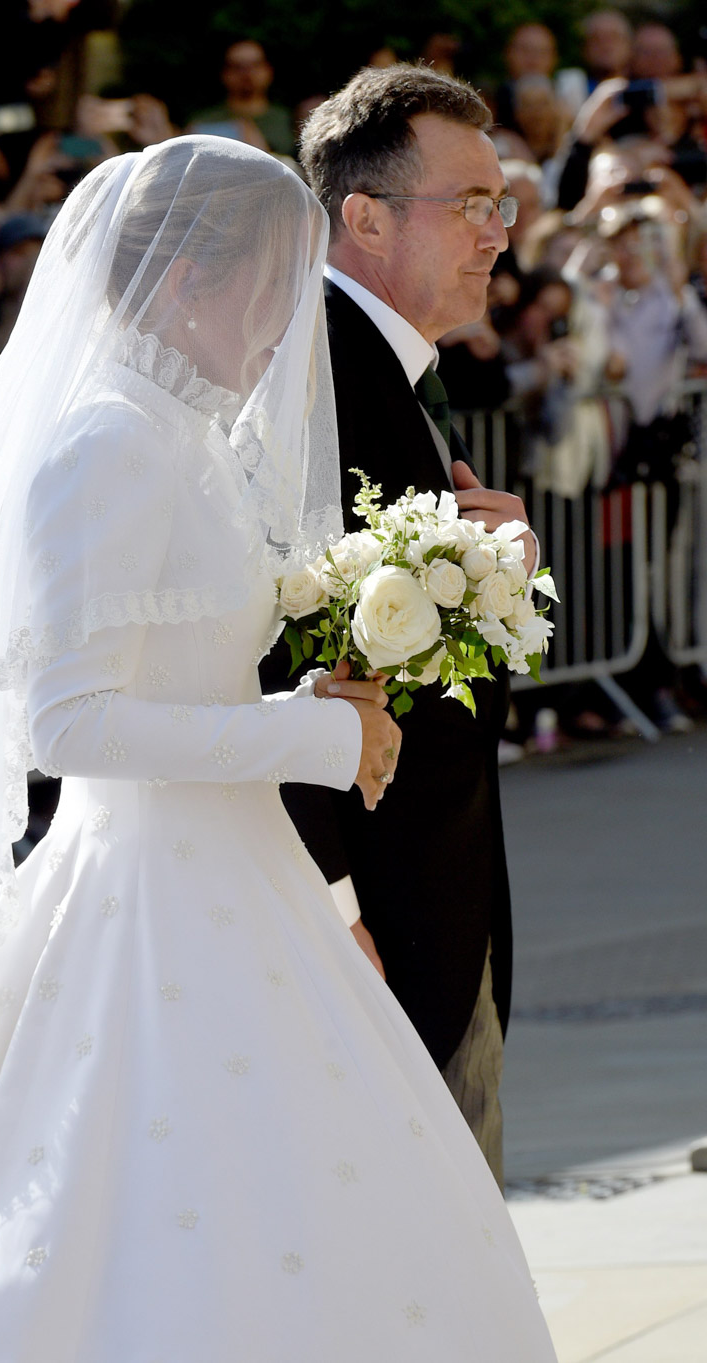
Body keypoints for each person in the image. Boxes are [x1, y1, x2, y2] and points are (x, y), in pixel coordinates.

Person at [0, 137, 555, 1360]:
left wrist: (346, 676)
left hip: (240, 881)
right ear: (182, 283)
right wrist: (308, 731)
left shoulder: (189, 443)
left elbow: (193, 662)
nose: (288, 322)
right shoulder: (102, 445)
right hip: (146, 893)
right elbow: (68, 722)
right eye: (271, 281)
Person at [295, 64, 540, 1186]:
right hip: (382, 929)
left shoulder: (392, 373)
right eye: (473, 203)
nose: (499, 231)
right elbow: (283, 660)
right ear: (365, 216)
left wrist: (505, 574)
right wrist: (332, 906)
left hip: (439, 903)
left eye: (504, 203)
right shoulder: (323, 381)